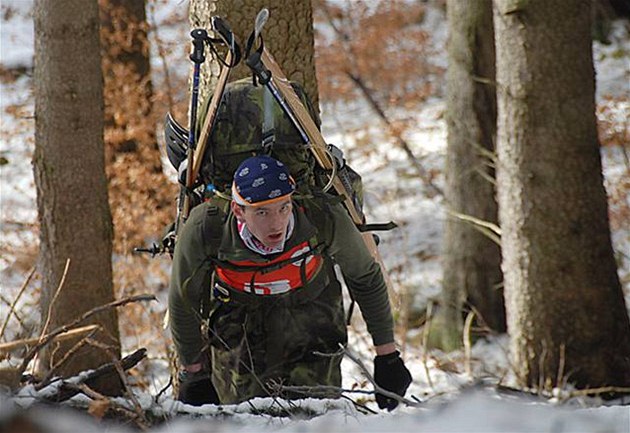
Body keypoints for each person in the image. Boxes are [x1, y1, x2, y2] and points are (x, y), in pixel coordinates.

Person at [168, 154, 411, 409]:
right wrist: (194, 373)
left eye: (283, 207)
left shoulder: (321, 214)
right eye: (262, 212)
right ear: (239, 210)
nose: (276, 223)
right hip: (240, 322)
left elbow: (365, 276)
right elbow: (182, 300)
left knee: (318, 414)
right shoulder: (206, 226)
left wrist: (387, 356)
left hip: (313, 315)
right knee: (245, 417)